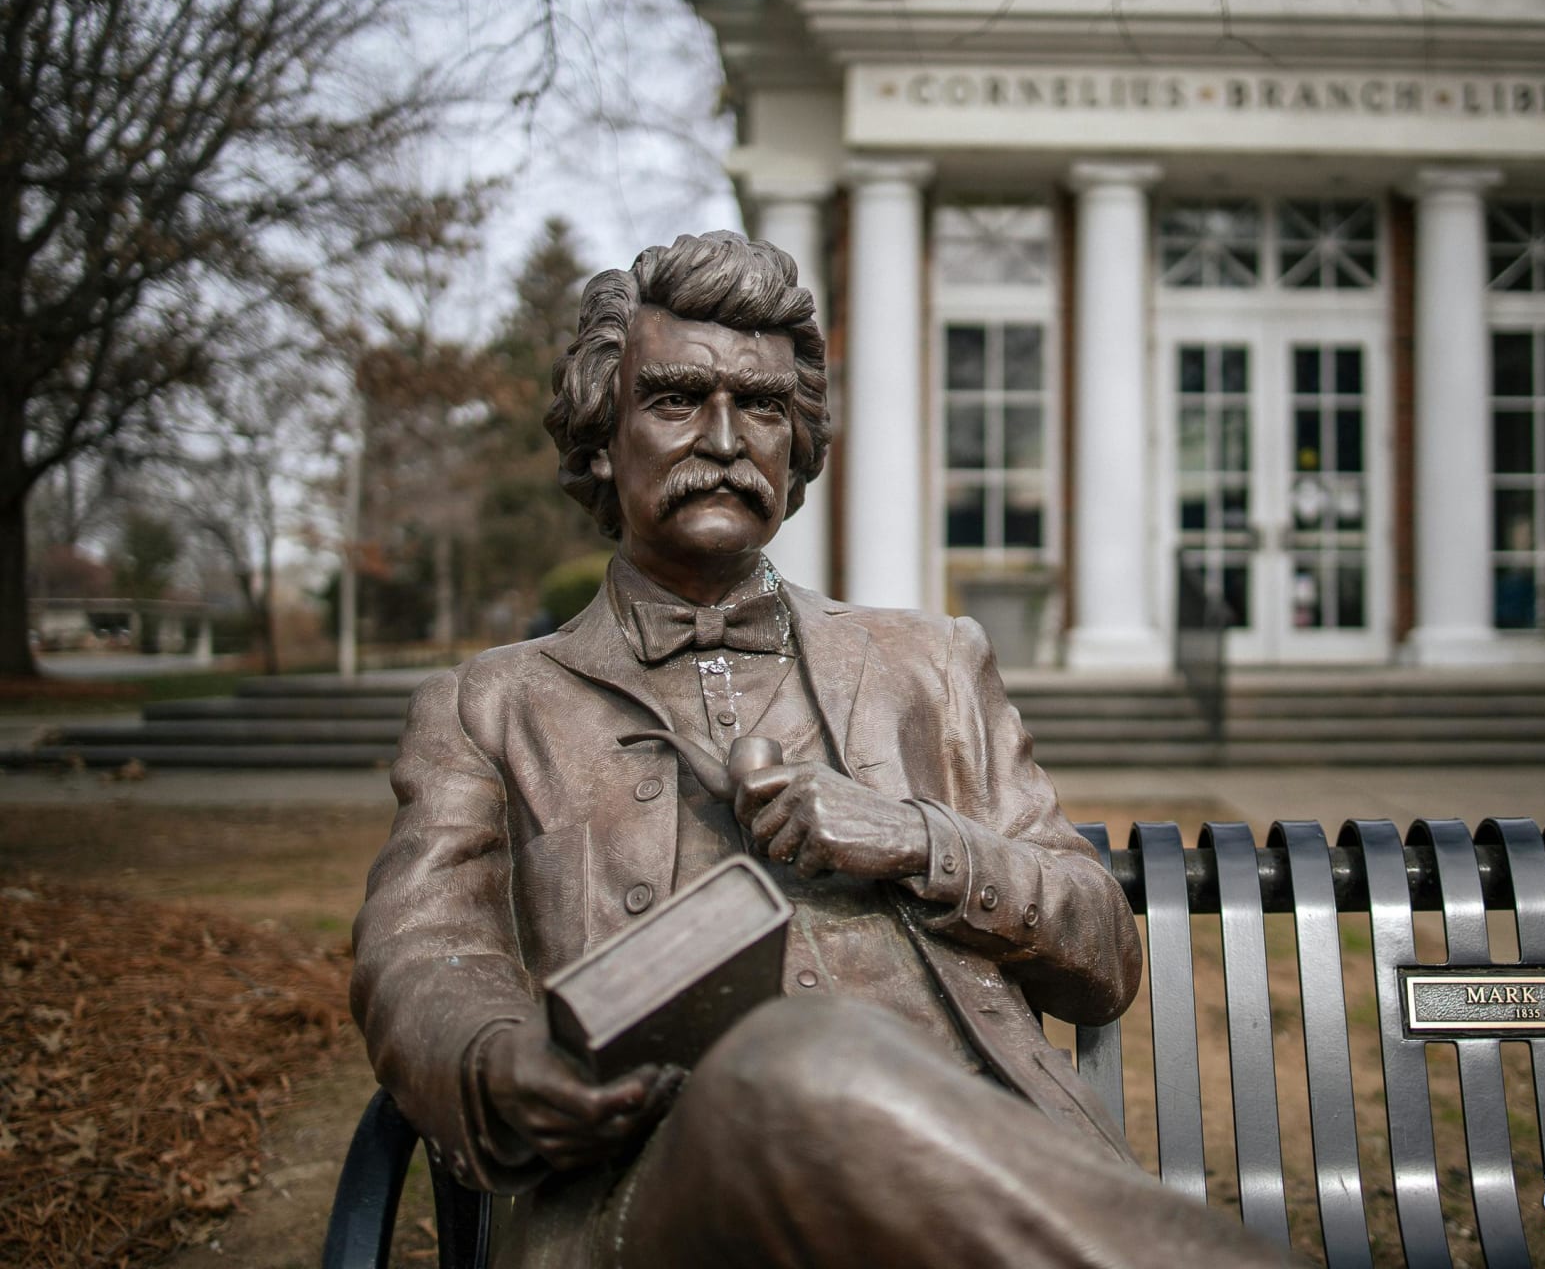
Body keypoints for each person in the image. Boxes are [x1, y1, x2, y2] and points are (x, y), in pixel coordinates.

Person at [350, 230, 1284, 1268]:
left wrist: (922, 840)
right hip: (657, 1202)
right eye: (675, 398)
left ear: (795, 446)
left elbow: (1102, 952)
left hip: (971, 1191)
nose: (724, 438)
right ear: (603, 438)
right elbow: (421, 958)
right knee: (796, 1060)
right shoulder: (495, 705)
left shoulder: (932, 665)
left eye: (759, 406)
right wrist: (500, 1062)